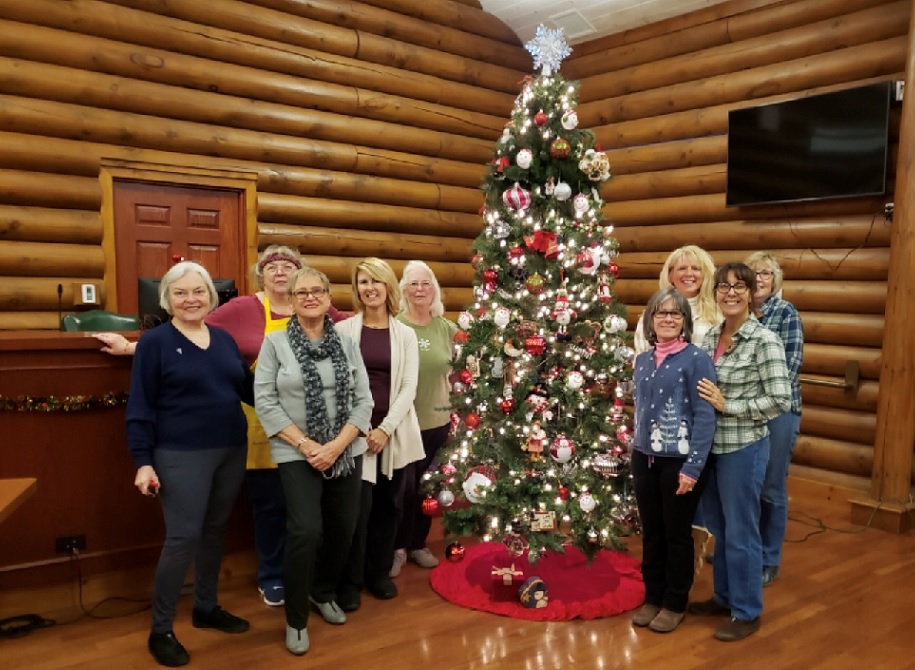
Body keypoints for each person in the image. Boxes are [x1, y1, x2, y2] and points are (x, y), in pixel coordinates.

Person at [95, 245, 347, 608]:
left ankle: (243, 597)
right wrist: (136, 346)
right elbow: (184, 336)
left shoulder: (313, 305)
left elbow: (354, 327)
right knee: (263, 508)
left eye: (288, 266)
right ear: (260, 274)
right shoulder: (240, 309)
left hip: (301, 427)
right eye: (271, 266)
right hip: (250, 429)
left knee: (300, 511)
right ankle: (267, 578)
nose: (279, 272)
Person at [125, 261, 253, 668]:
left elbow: (247, 390)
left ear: (211, 297)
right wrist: (143, 462)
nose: (190, 299)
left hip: (231, 448)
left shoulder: (224, 339)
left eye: (198, 291)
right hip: (180, 454)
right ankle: (161, 629)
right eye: (180, 293)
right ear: (166, 299)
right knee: (183, 537)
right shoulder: (155, 342)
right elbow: (140, 406)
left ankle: (206, 606)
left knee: (215, 531)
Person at [254, 266, 373, 656]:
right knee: (305, 530)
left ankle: (323, 592)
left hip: (344, 450)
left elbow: (363, 401)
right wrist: (308, 446)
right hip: (295, 449)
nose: (309, 297)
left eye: (316, 291)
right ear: (289, 298)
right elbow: (266, 401)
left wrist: (336, 446)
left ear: (327, 297)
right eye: (300, 292)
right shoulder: (274, 343)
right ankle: (296, 618)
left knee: (343, 526)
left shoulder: (347, 342)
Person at [691, 262, 791, 642]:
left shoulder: (764, 341)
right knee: (719, 528)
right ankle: (724, 598)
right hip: (710, 450)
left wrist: (727, 405)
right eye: (723, 287)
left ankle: (747, 611)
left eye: (739, 287)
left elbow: (780, 399)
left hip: (743, 449)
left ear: (752, 293)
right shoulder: (710, 338)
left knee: (742, 530)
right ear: (715, 293)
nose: (730, 293)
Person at [336, 258, 424, 611]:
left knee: (390, 506)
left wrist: (385, 429)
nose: (369, 287)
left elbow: (408, 386)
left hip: (394, 433)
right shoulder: (344, 331)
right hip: (354, 434)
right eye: (362, 282)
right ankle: (351, 580)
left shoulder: (405, 334)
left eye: (376, 281)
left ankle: (378, 573)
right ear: (356, 289)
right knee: (356, 510)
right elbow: (339, 385)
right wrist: (360, 428)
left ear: (389, 286)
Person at [629, 287, 717, 634]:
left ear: (684, 321)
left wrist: (693, 468)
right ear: (651, 320)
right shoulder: (641, 360)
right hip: (644, 458)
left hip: (679, 461)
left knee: (676, 535)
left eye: (675, 313)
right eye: (661, 313)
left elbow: (705, 416)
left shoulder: (696, 359)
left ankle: (674, 601)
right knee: (651, 533)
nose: (667, 318)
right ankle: (652, 596)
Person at [390, 260, 457, 576]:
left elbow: (467, 365)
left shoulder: (446, 328)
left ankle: (418, 544)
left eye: (425, 283)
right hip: (404, 424)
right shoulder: (395, 326)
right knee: (401, 490)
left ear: (434, 290)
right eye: (413, 284)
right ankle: (396, 548)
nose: (419, 289)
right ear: (404, 290)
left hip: (439, 424)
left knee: (427, 489)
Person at [744, 251, 804, 587]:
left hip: (779, 413)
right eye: (753, 272)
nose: (759, 278)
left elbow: (791, 366)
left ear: (775, 279)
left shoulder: (785, 312)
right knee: (743, 486)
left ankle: (769, 558)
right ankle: (744, 549)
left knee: (770, 487)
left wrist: (756, 400)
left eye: (765, 273)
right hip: (743, 412)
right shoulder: (737, 314)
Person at [634, 245, 720, 354]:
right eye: (682, 268)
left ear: (705, 275)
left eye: (695, 268)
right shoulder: (652, 313)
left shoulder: (718, 313)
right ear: (670, 275)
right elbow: (642, 359)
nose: (689, 273)